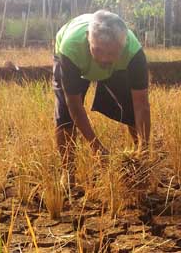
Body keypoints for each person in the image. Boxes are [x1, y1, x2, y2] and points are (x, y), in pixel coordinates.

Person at [52, 10, 151, 171]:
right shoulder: (71, 48)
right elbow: (74, 106)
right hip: (76, 59)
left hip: (117, 67)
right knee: (64, 116)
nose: (104, 59)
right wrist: (96, 147)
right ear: (87, 38)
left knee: (131, 108)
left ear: (122, 45)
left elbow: (141, 104)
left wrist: (145, 148)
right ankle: (68, 173)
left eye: (111, 53)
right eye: (97, 50)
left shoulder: (133, 54)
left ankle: (140, 160)